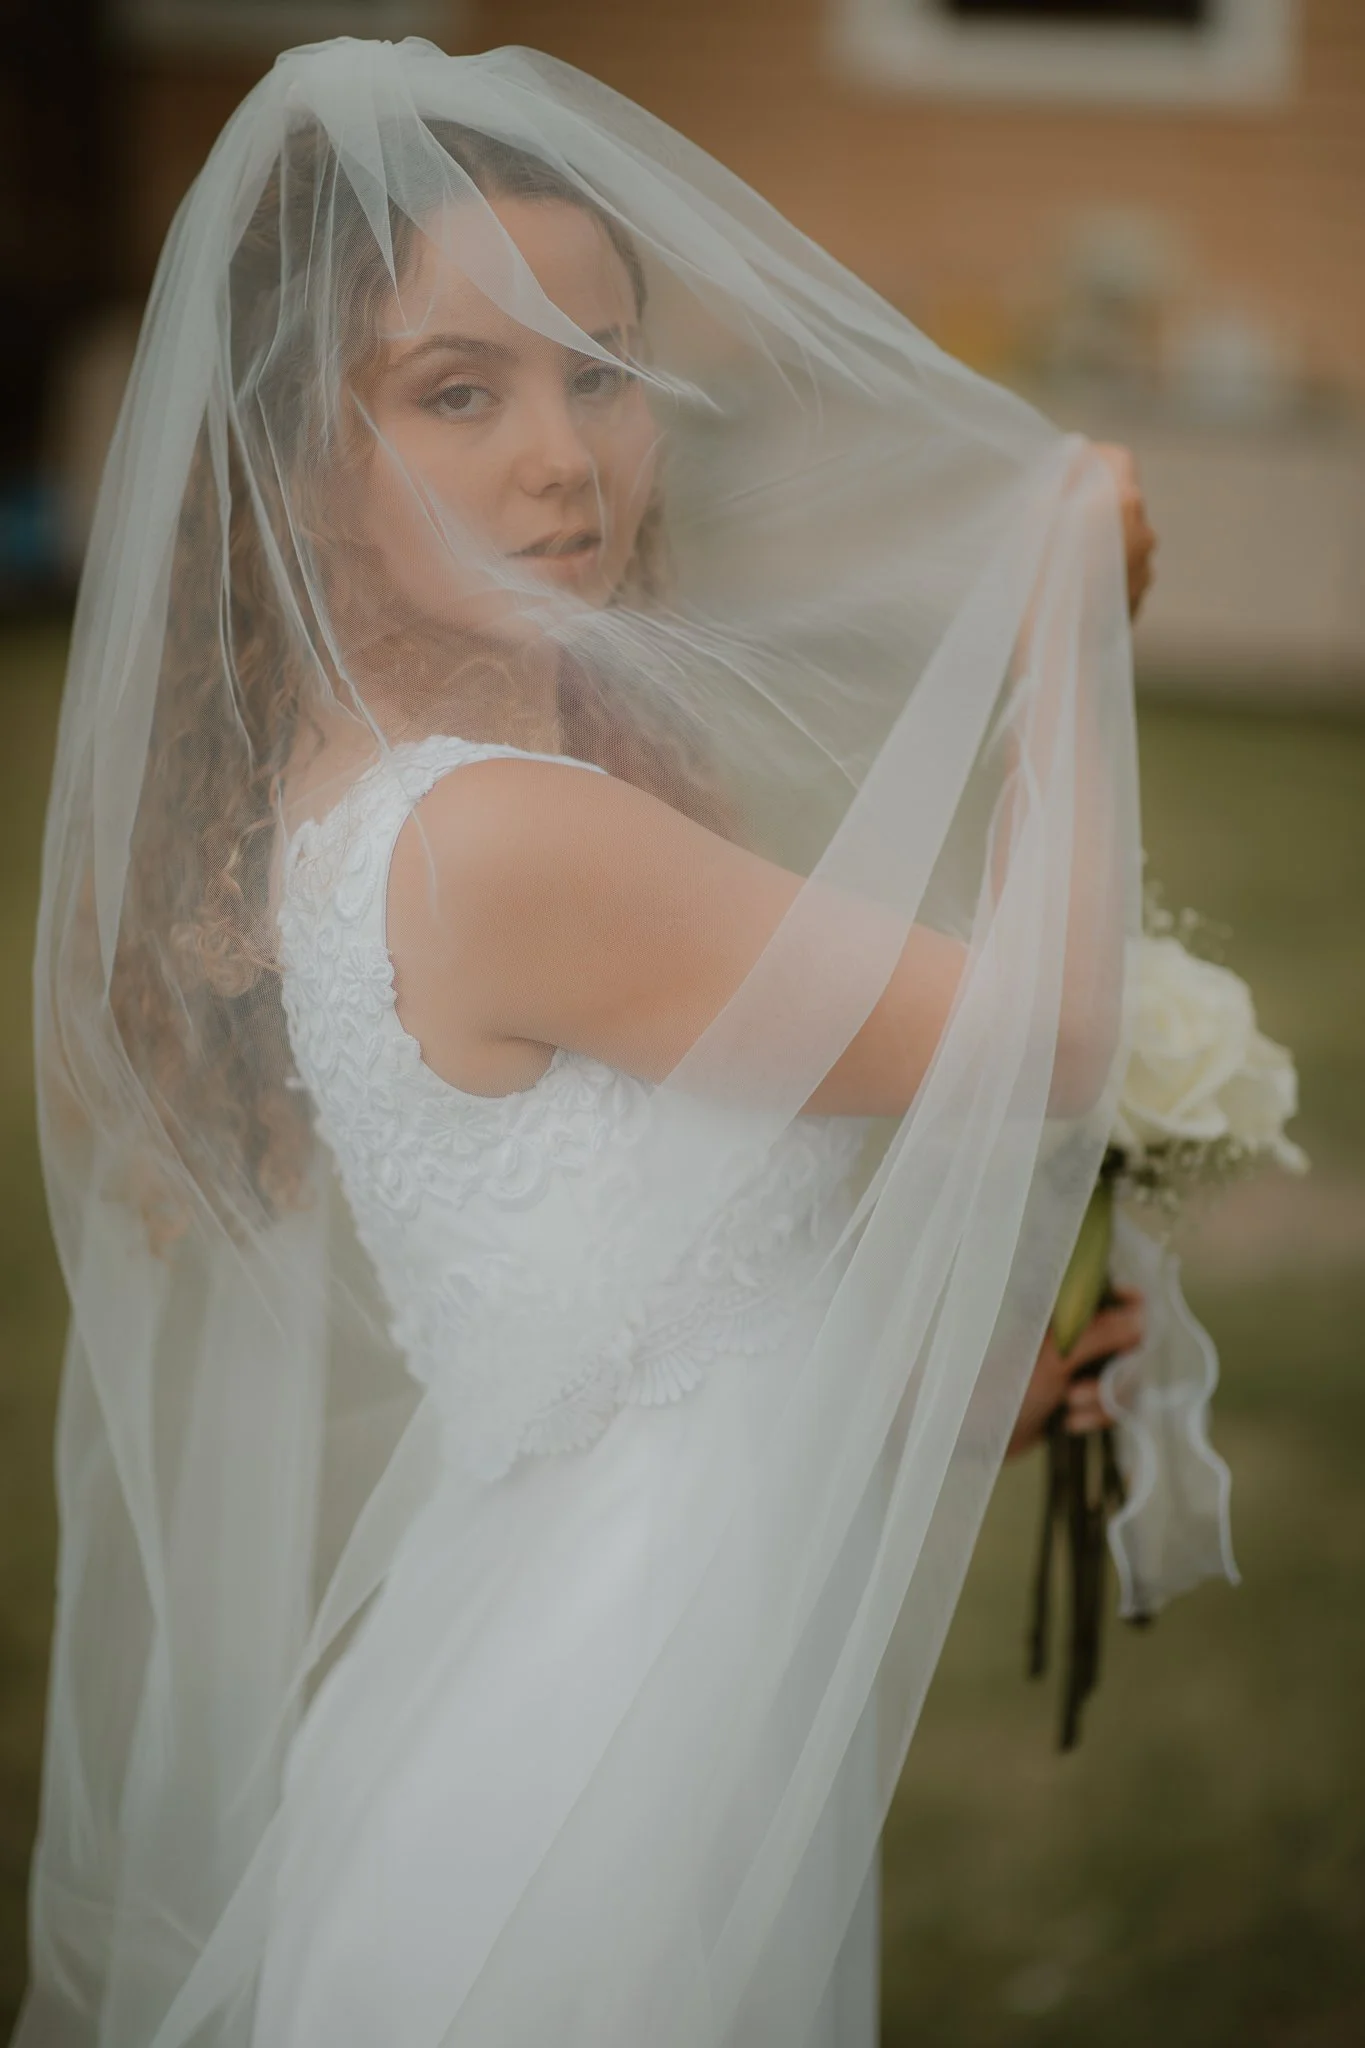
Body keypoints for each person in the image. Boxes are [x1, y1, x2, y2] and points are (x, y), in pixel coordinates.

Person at [16, 38, 1156, 2048]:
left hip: (600, 1652)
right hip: (603, 1739)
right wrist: (1065, 618)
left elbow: (625, 1321)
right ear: (299, 456)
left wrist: (965, 1387)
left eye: (602, 368)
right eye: (459, 390)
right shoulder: (503, 836)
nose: (566, 454)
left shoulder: (379, 784)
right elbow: (1052, 1030)